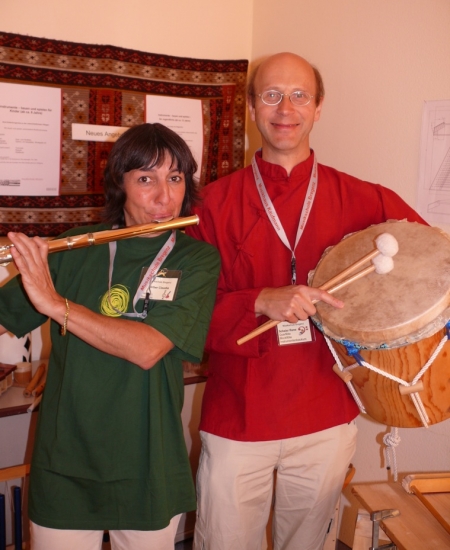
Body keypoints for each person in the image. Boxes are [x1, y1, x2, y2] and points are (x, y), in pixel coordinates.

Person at [187, 52, 425, 550]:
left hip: (326, 412)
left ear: (318, 108)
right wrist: (258, 300)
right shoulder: (211, 205)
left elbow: (428, 268)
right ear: (251, 106)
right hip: (238, 416)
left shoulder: (366, 199)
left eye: (300, 95)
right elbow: (185, 314)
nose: (285, 108)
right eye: (271, 95)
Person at [0, 123, 220, 550]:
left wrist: (55, 305)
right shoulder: (74, 248)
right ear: (120, 185)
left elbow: (148, 348)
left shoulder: (196, 259)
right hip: (65, 465)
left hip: (148, 466)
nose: (164, 197)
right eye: (146, 179)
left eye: (175, 178)